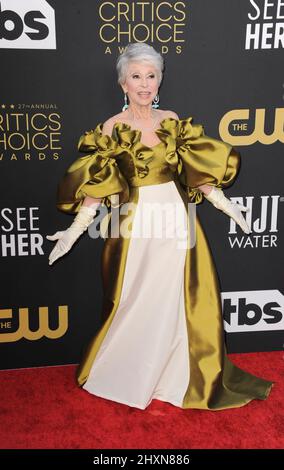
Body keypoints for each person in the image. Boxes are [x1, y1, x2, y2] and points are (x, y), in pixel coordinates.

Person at [47, 43, 274, 410]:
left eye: (151, 76)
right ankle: (132, 372)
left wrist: (225, 204)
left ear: (159, 80)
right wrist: (76, 228)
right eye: (136, 76)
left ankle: (174, 375)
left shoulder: (171, 120)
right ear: (123, 83)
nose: (144, 84)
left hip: (175, 218)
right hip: (133, 222)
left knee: (173, 297)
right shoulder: (112, 127)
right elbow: (99, 184)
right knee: (135, 298)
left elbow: (194, 173)